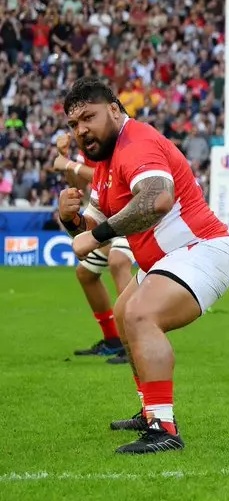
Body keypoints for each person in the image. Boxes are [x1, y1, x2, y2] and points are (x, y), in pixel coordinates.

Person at [59, 76, 229, 454]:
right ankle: (150, 410)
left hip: (201, 248)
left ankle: (163, 428)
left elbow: (156, 199)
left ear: (114, 109)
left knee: (139, 315)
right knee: (125, 315)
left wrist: (96, 234)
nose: (81, 130)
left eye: (88, 117)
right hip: (171, 257)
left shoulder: (136, 143)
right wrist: (70, 220)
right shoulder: (105, 163)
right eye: (74, 124)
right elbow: (86, 233)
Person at [52, 131, 136, 363]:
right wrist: (65, 156)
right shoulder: (88, 148)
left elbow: (108, 176)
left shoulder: (118, 141)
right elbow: (77, 185)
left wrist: (68, 163)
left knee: (118, 262)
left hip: (132, 215)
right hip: (108, 218)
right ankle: (113, 341)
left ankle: (136, 342)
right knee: (85, 273)